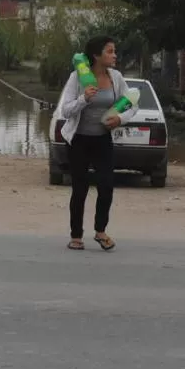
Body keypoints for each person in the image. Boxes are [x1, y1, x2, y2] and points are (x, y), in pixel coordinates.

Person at [58, 35, 138, 252]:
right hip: (78, 141)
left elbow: (131, 104)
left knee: (106, 186)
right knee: (80, 188)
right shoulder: (77, 77)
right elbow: (65, 110)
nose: (114, 55)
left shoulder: (116, 78)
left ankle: (100, 231)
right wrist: (84, 99)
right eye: (110, 51)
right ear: (96, 55)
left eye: (114, 51)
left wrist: (120, 119)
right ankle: (76, 236)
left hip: (103, 139)